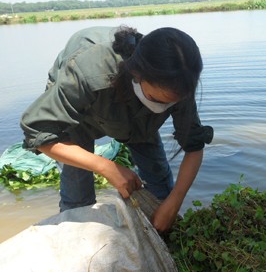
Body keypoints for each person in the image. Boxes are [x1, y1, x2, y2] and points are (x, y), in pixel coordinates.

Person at [20, 25, 213, 232]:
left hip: (140, 124)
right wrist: (107, 167)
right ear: (137, 74)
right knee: (78, 200)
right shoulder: (87, 73)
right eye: (157, 99)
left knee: (162, 193)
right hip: (81, 116)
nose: (163, 108)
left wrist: (174, 201)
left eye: (171, 103)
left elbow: (193, 147)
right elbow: (39, 133)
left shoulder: (180, 81)